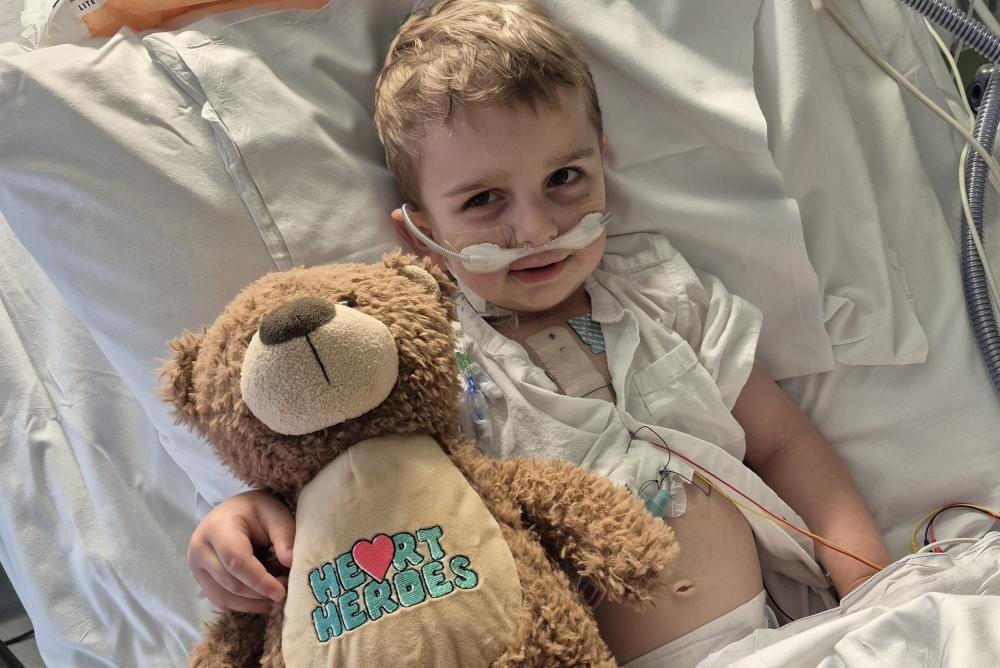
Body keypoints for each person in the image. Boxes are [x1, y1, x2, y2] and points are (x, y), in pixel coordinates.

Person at [187, 1, 891, 664]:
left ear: (603, 164)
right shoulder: (423, 359)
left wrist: (873, 586)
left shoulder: (664, 296)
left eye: (564, 178)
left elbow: (782, 442)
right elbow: (360, 488)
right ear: (422, 233)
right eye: (484, 200)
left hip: (781, 638)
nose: (537, 228)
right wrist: (250, 514)